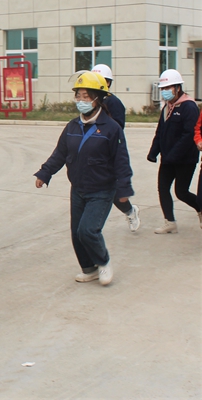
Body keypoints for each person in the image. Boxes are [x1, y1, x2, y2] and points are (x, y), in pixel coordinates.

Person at [34, 71, 134, 286]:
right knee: (76, 233)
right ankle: (89, 269)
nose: (81, 101)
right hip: (78, 188)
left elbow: (121, 161)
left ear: (98, 99)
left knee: (88, 230)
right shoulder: (72, 126)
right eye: (78, 96)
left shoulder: (111, 128)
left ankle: (103, 262)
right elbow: (60, 153)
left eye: (86, 96)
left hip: (102, 190)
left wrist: (124, 188)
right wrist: (45, 172)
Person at [147, 69, 201, 233]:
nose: (165, 91)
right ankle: (170, 222)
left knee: (181, 192)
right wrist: (153, 152)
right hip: (168, 158)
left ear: (177, 88)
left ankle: (200, 208)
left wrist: (173, 155)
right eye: (163, 88)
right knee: (163, 188)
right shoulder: (167, 107)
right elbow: (160, 132)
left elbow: (189, 135)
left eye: (168, 88)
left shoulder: (189, 107)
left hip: (185, 159)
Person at [92, 64, 141, 231]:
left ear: (107, 83)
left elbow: (117, 129)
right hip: (92, 152)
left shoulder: (113, 102)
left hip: (108, 153)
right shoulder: (92, 101)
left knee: (114, 191)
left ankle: (130, 211)